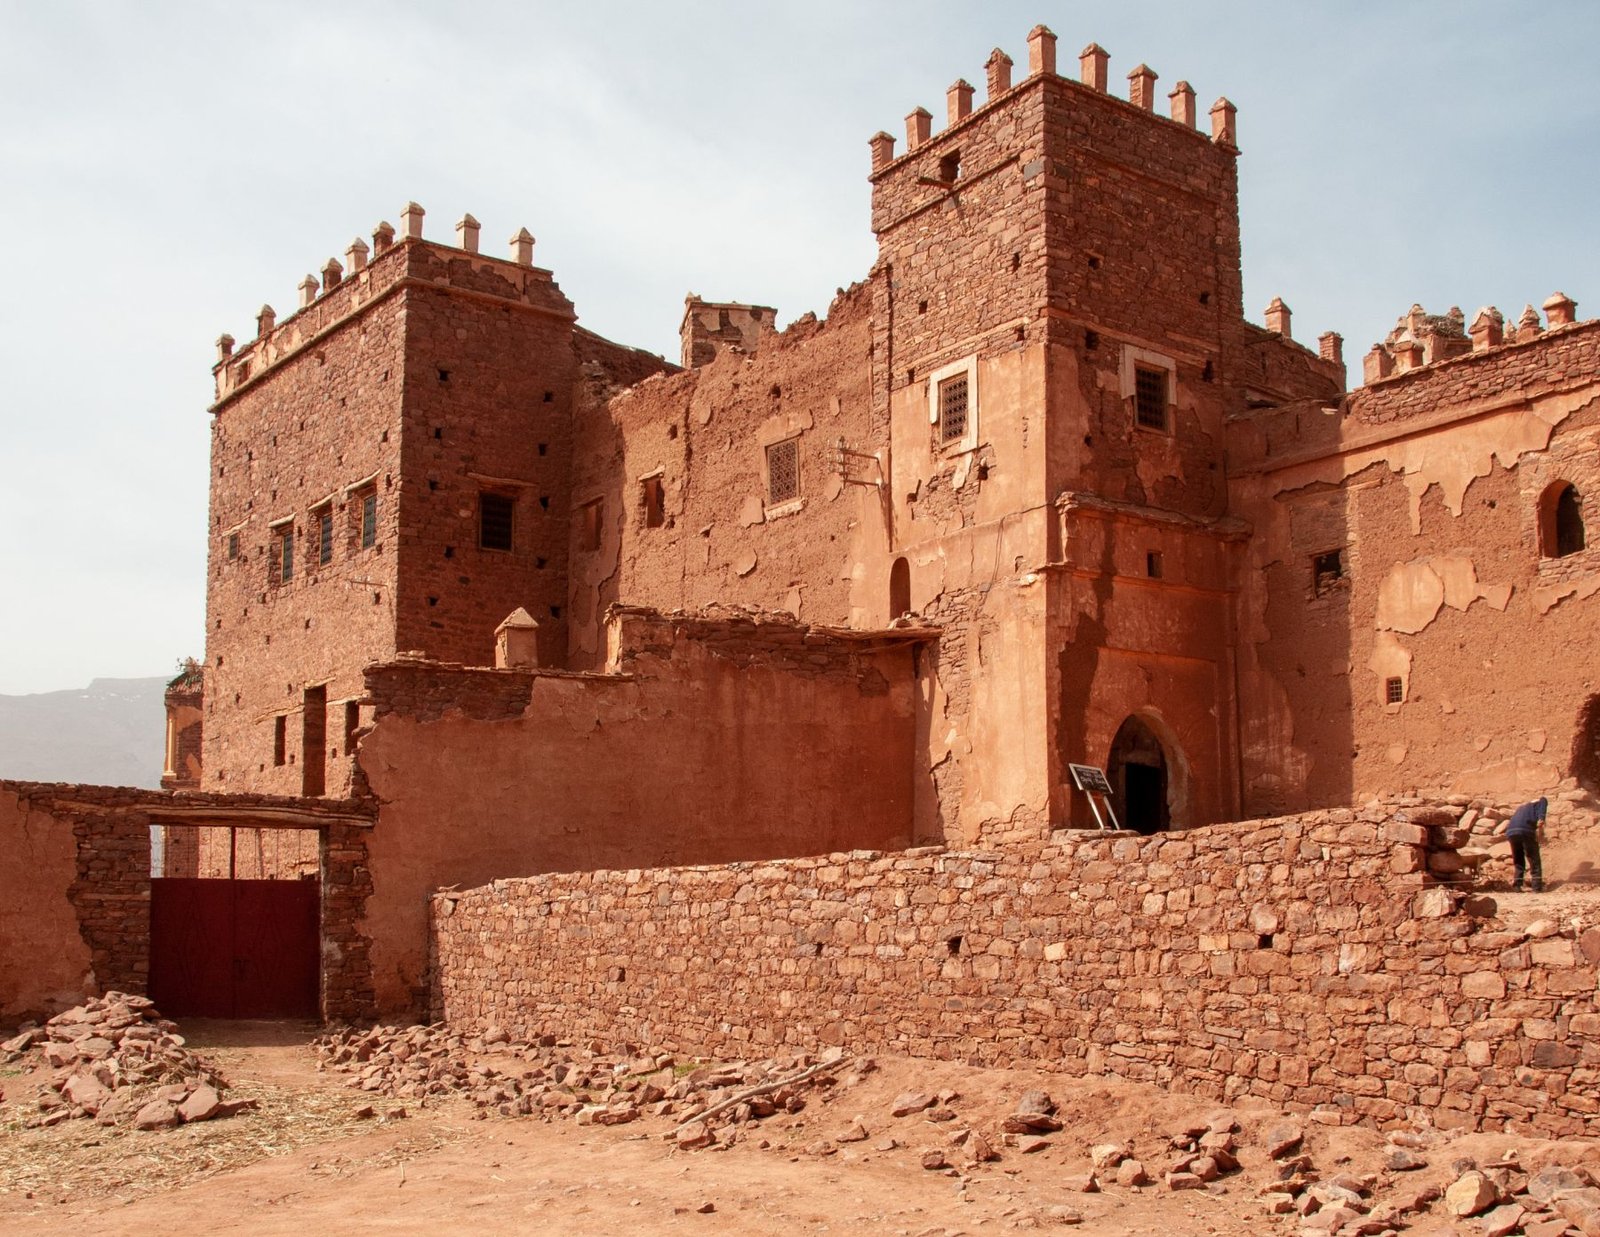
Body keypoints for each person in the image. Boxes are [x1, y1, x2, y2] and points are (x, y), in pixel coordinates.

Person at [1503, 797, 1547, 893]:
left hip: (1511, 832)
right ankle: (1536, 888)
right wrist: (1541, 818)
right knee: (1534, 859)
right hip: (1525, 830)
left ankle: (1516, 887)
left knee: (1518, 860)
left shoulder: (1522, 807)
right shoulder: (1541, 800)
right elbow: (1541, 817)